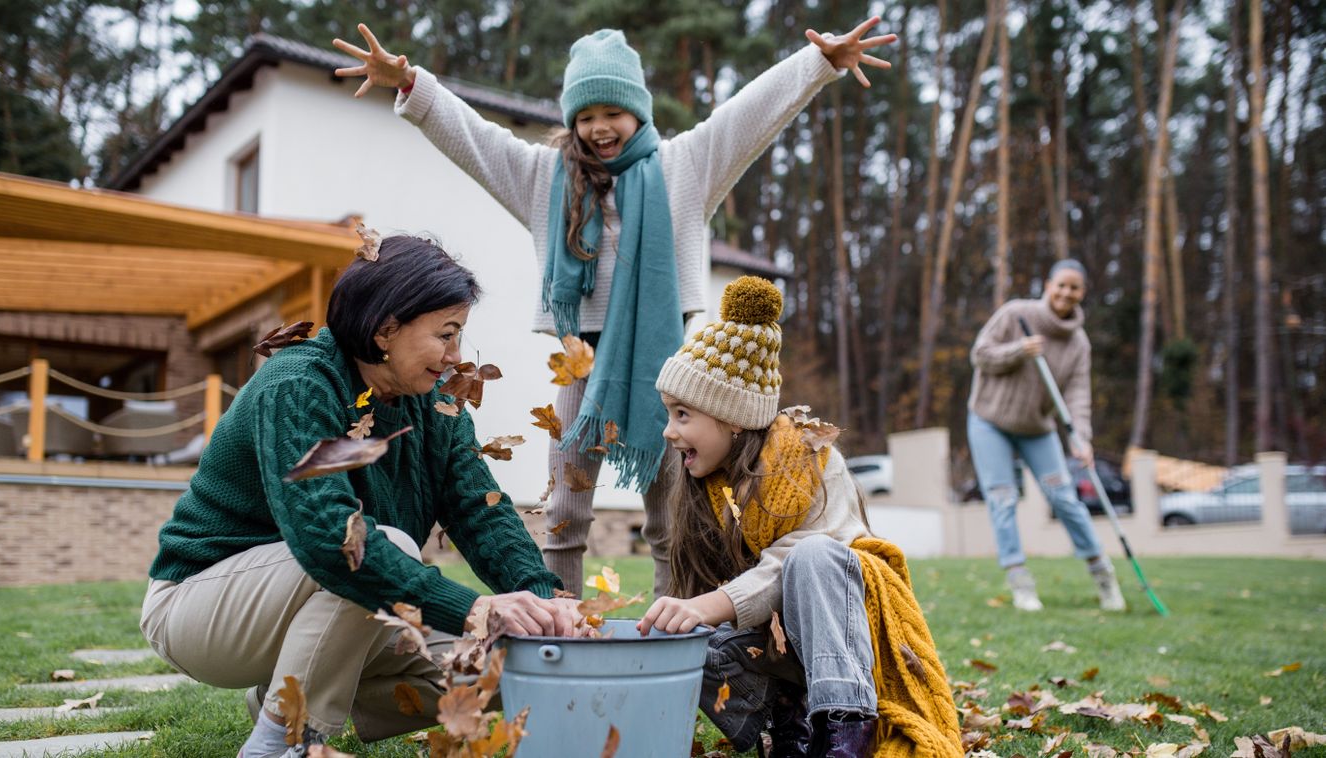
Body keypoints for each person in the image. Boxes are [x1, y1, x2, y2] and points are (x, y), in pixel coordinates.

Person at [331, 19, 897, 596]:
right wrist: (411, 84)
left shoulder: (685, 167)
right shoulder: (544, 179)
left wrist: (819, 64)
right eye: (584, 116)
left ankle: (673, 631)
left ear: (639, 111)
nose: (598, 127)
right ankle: (561, 627)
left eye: (611, 112)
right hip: (581, 364)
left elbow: (748, 115)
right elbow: (476, 139)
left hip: (666, 370)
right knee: (564, 516)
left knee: (671, 522)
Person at [140, 235, 580, 758]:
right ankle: (283, 743)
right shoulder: (301, 385)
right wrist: (474, 607)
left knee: (506, 665)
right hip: (201, 609)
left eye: (459, 334)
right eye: (446, 334)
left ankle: (289, 692)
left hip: (326, 607)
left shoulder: (434, 404)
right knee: (373, 542)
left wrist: (544, 600)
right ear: (385, 328)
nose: (455, 355)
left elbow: (479, 510)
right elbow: (328, 538)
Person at [637, 276, 961, 757]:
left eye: (682, 415)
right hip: (775, 644)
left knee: (811, 557)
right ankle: (787, 717)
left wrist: (713, 604)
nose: (669, 431)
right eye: (669, 414)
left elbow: (791, 566)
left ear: (731, 417)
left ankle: (842, 730)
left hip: (846, 642)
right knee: (686, 642)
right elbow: (692, 592)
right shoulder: (704, 487)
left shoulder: (812, 463)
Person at [966, 258, 1126, 612]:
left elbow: (1078, 395)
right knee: (1003, 497)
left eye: (1075, 288)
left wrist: (1081, 437)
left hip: (1037, 429)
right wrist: (1019, 351)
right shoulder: (1015, 315)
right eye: (1061, 285)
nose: (1066, 293)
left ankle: (1103, 575)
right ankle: (1020, 582)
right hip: (989, 421)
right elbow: (980, 355)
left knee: (1064, 497)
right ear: (1048, 285)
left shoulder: (1078, 343)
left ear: (1082, 293)